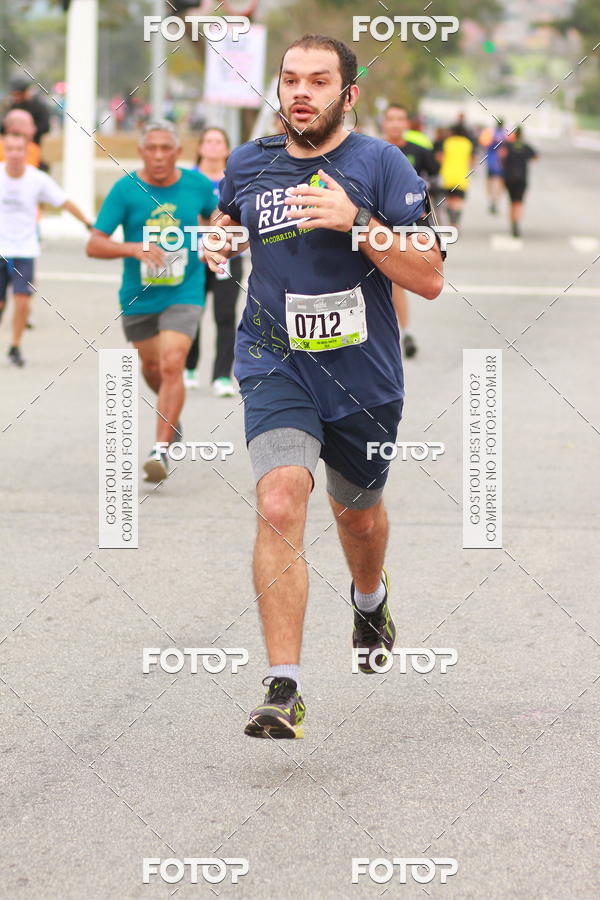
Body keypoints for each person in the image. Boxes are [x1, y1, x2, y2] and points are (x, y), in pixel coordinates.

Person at [205, 34, 444, 739]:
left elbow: (429, 276)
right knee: (280, 496)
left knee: (357, 515)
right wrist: (219, 240)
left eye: (317, 80)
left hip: (361, 373)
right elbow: (228, 223)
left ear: (349, 93)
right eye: (289, 79)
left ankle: (369, 597)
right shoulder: (250, 164)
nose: (300, 92)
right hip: (275, 359)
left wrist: (360, 223)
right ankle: (285, 686)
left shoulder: (380, 163)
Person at [86, 120, 217, 482]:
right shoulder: (125, 191)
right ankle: (171, 415)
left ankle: (159, 450)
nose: (159, 155)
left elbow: (219, 217)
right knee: (154, 369)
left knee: (173, 363)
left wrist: (214, 238)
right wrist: (133, 247)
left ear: (177, 152)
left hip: (185, 291)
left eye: (166, 148)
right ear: (142, 152)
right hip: (139, 296)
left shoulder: (198, 185)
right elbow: (94, 244)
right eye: (151, 148)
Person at [0, 132, 92, 365]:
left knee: (22, 301)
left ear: (27, 152)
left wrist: (89, 224)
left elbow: (64, 201)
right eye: (9, 149)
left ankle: (15, 346)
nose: (14, 154)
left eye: (19, 149)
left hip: (25, 250)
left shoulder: (37, 179)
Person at [184, 127, 243, 397]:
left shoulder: (236, 179)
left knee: (225, 315)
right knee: (192, 311)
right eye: (208, 141)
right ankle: (189, 367)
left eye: (219, 141)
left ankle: (221, 375)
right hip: (193, 255)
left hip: (229, 256)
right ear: (199, 147)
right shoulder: (188, 179)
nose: (213, 146)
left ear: (227, 149)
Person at [380, 103, 439, 359]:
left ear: (406, 123)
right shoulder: (373, 151)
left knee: (395, 280)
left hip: (407, 223)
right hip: (375, 222)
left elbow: (435, 179)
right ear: (384, 123)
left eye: (400, 119)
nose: (395, 124)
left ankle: (405, 332)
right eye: (390, 119)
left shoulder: (419, 150)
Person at [499, 126, 537, 238]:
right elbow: (536, 157)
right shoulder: (525, 146)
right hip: (521, 178)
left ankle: (513, 222)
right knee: (518, 202)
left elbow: (501, 157)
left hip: (509, 177)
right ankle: (516, 222)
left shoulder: (508, 146)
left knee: (511, 202)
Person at [437, 122, 475, 229]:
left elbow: (440, 157)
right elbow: (471, 159)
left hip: (448, 175)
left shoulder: (447, 142)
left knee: (449, 200)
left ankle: (451, 222)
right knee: (458, 201)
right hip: (462, 176)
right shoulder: (467, 143)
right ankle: (455, 223)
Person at [2, 75, 51, 146]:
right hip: (13, 148)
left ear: (25, 92)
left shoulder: (38, 106)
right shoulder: (12, 106)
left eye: (18, 94)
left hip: (32, 147)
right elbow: (4, 128)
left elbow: (46, 127)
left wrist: (27, 130)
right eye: (14, 94)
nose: (16, 97)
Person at [479, 118, 508, 214]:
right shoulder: (506, 134)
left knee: (490, 182)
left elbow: (482, 143)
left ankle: (491, 200)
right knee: (499, 182)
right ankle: (496, 201)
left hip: (491, 161)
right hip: (502, 162)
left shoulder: (489, 133)